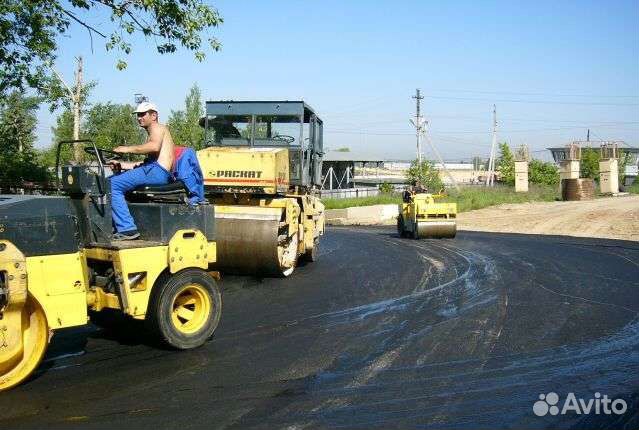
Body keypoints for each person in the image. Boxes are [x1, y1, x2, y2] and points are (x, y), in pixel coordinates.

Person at [109, 102, 175, 240]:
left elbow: (154, 147)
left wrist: (125, 149)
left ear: (154, 115)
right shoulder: (153, 132)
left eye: (143, 114)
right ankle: (116, 225)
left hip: (157, 172)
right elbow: (145, 164)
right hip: (153, 170)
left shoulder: (157, 128)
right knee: (108, 180)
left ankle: (127, 229)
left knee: (113, 184)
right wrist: (121, 165)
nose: (139, 118)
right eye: (138, 115)